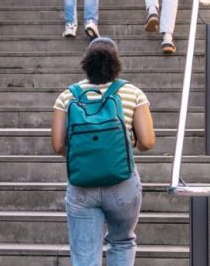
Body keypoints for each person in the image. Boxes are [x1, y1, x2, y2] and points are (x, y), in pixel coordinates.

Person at [51, 37, 156, 266]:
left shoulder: (67, 96)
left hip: (81, 185)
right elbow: (147, 142)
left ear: (86, 62)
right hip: (122, 183)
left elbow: (58, 145)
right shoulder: (132, 93)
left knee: (85, 256)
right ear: (116, 62)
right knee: (122, 241)